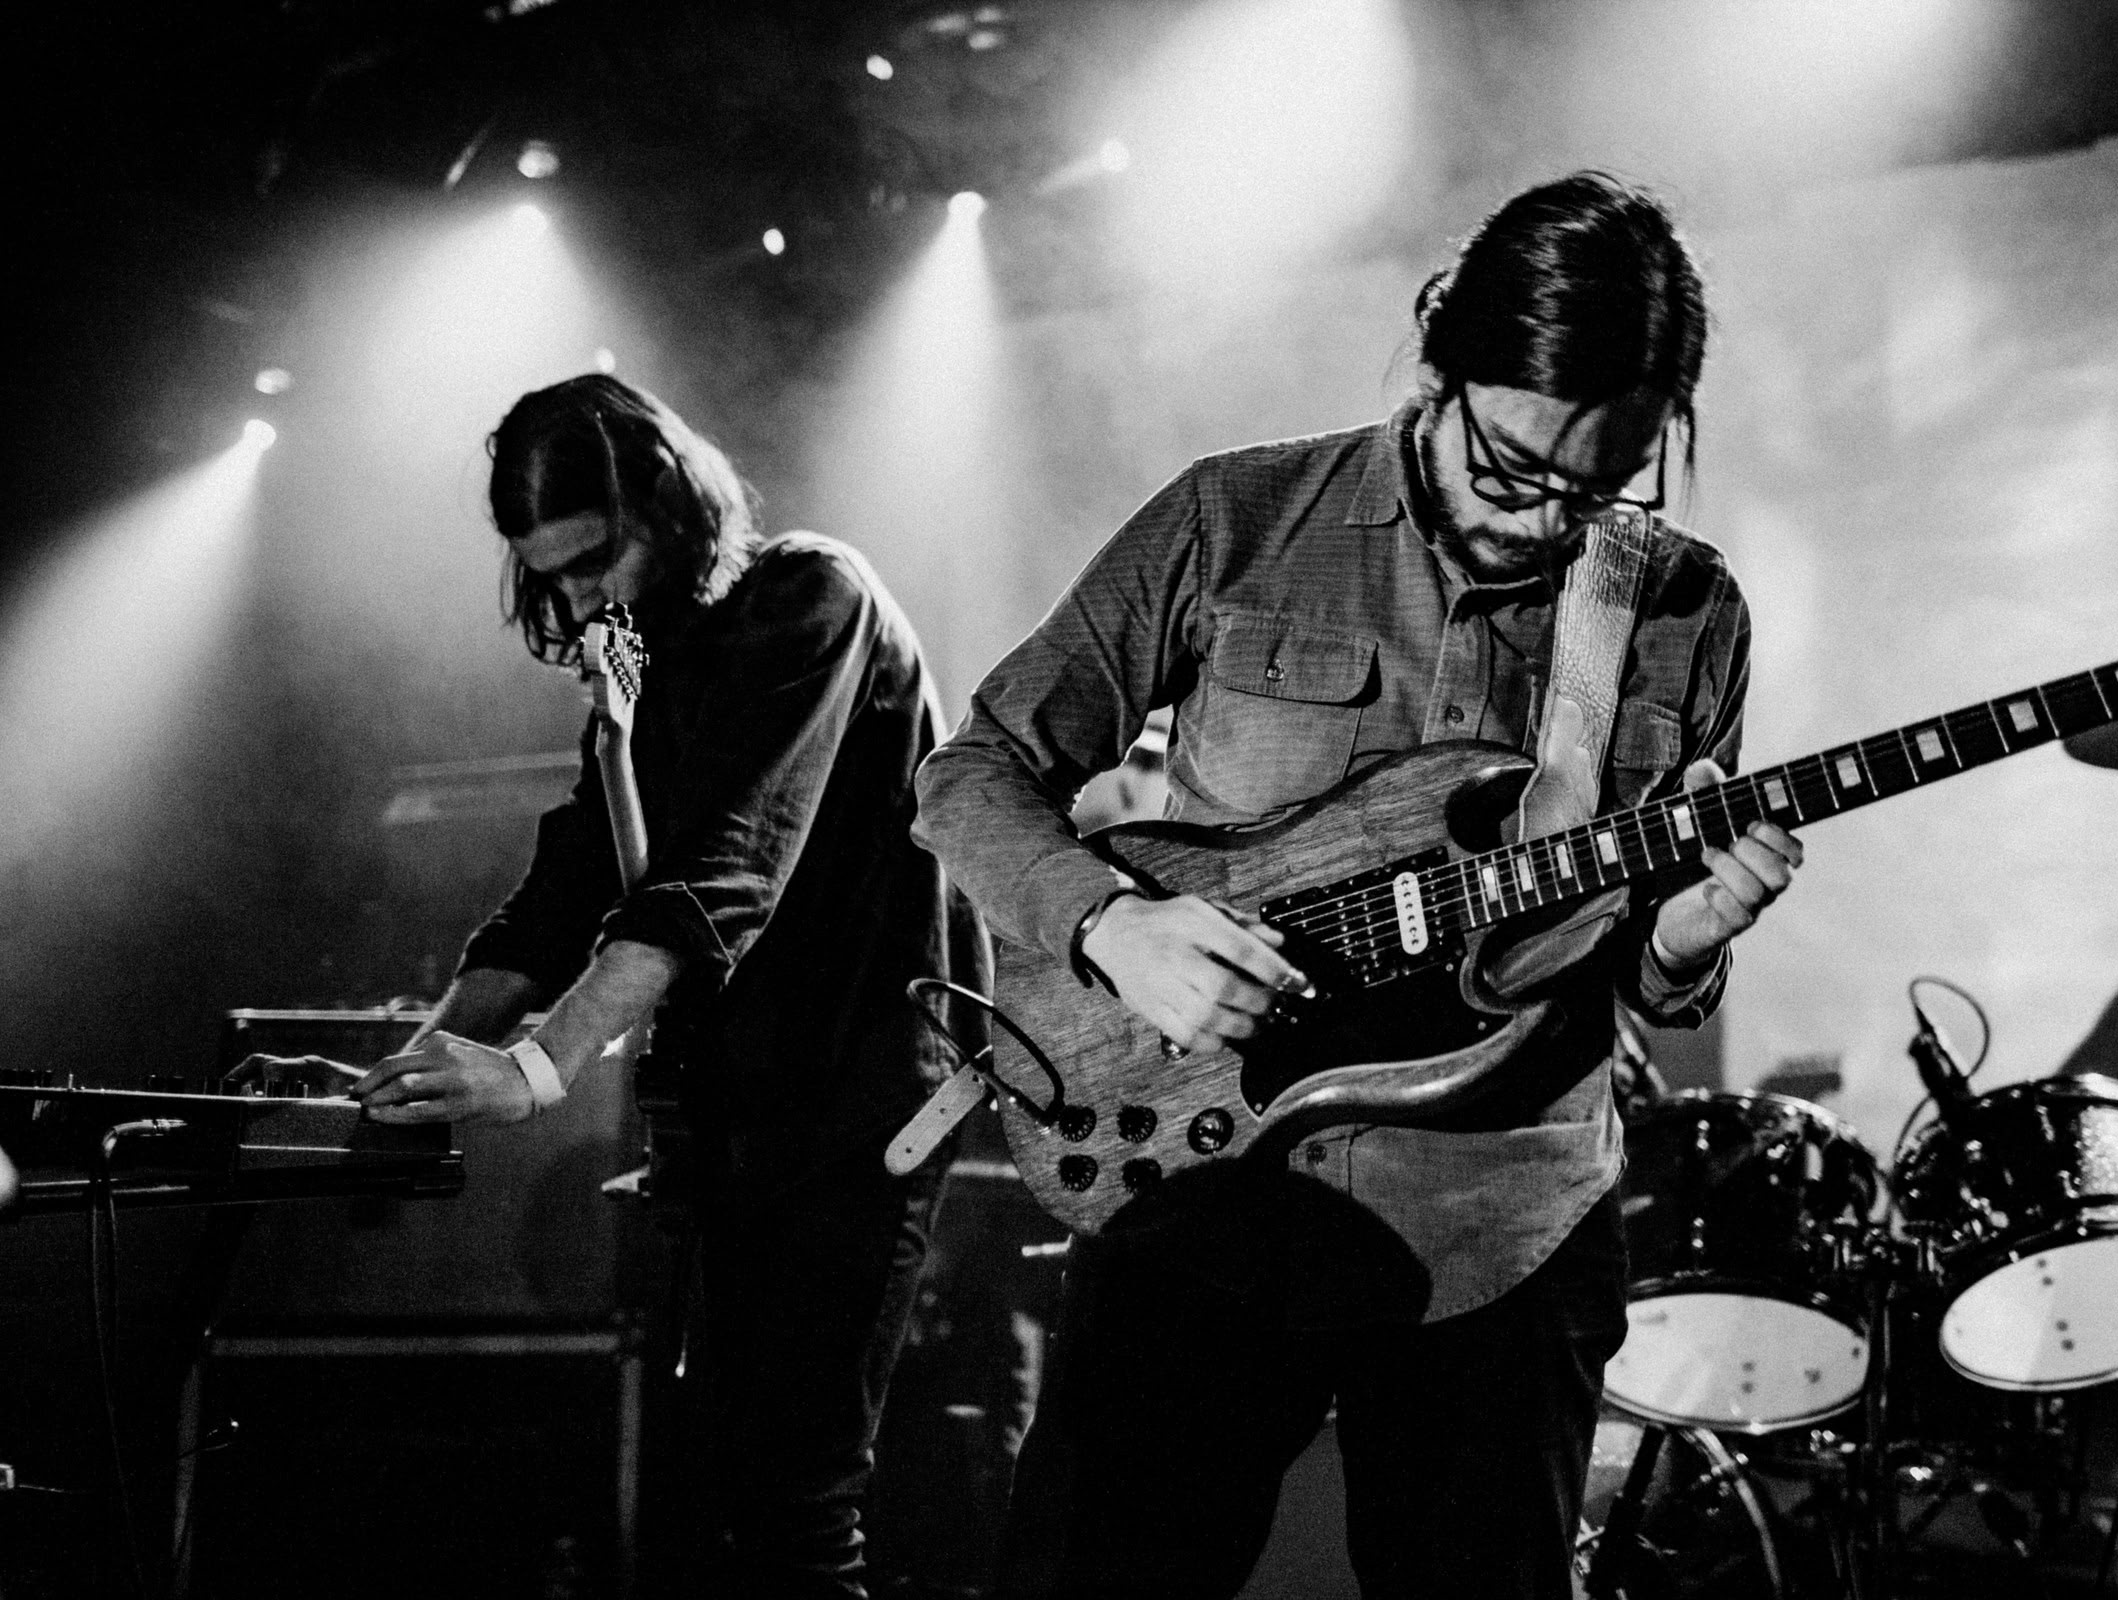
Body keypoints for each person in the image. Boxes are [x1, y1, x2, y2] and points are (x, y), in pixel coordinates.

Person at [912, 172, 1801, 1598]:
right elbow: (974, 772)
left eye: (1599, 488)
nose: (1544, 520)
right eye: (1512, 466)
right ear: (1442, 361)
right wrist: (1113, 923)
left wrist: (1690, 934)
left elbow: (1644, 972)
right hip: (1205, 1183)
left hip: (1503, 1220)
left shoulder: (1685, 614)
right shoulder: (1239, 518)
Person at [242, 374, 982, 1598]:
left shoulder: (812, 596)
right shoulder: (642, 667)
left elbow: (719, 876)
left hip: (863, 1107)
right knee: (710, 1501)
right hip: (734, 1123)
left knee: (800, 1508)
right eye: (550, 574)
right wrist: (411, 1068)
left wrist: (535, 1068)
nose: (578, 596)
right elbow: (561, 894)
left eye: (594, 559)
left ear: (670, 504)